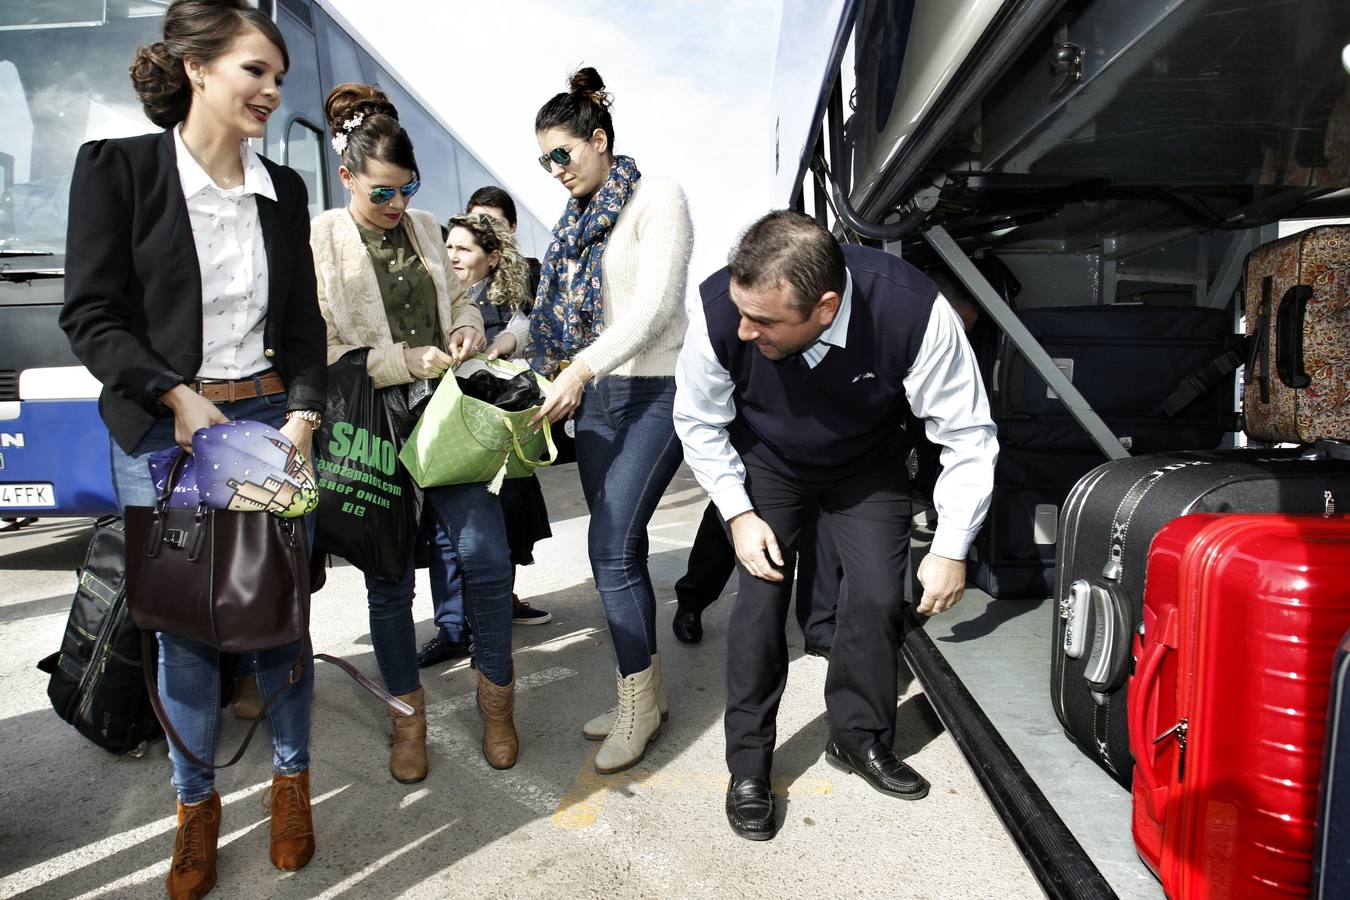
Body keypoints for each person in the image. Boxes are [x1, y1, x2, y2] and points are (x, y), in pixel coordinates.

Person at [59, 2, 326, 895]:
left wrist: (302, 415)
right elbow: (89, 315)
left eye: (278, 77)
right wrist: (172, 393)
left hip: (261, 425)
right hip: (162, 434)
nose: (272, 91)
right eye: (256, 71)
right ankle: (196, 810)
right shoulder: (118, 171)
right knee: (185, 636)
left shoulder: (284, 191)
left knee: (277, 619)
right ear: (198, 69)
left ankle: (291, 786)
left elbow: (301, 327)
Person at [674, 211, 998, 841]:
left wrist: (953, 546)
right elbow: (698, 422)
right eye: (742, 313)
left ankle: (858, 739)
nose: (744, 330)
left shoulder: (913, 311)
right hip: (769, 462)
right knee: (761, 602)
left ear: (825, 307)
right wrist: (739, 515)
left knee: (878, 597)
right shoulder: (720, 312)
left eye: (764, 321)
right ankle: (748, 766)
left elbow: (966, 433)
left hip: (868, 466)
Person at [311, 83, 519, 780]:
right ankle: (409, 723)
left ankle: (497, 706)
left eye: (407, 189)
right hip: (371, 421)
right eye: (381, 194)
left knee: (486, 555)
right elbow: (327, 345)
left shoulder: (428, 227)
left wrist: (463, 328)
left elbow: (461, 295)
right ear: (347, 178)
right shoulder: (321, 240)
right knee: (388, 577)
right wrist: (402, 360)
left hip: (444, 413)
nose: (397, 205)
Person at [529, 67, 692, 774]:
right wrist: (503, 341)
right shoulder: (572, 225)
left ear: (599, 139)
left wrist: (581, 368)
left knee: (612, 543)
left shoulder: (658, 198)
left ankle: (640, 705)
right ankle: (640, 691)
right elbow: (553, 318)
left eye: (562, 154)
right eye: (544, 160)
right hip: (595, 401)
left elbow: (656, 306)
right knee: (612, 552)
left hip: (655, 393)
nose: (554, 170)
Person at [415, 213, 554, 669]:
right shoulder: (433, 296)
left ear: (492, 259)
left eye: (464, 249)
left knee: (494, 538)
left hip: (493, 441)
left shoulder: (507, 304)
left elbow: (527, 333)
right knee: (442, 539)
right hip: (443, 437)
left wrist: (502, 347)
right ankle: (451, 628)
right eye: (448, 247)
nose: (452, 255)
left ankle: (486, 630)